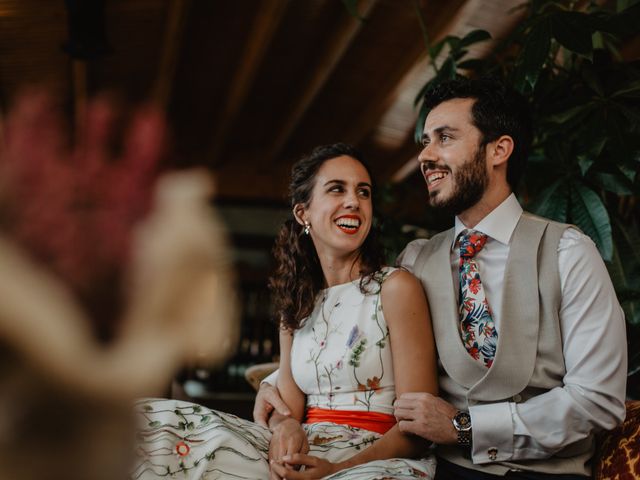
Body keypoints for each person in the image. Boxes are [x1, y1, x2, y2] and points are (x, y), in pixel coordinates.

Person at [254, 78, 627, 479]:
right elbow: (362, 329)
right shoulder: (415, 260)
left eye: (444, 138)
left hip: (546, 473)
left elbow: (598, 401)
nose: (425, 156)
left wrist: (464, 427)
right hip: (442, 471)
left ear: (498, 149)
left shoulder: (567, 252)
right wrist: (276, 384)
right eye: (425, 141)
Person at [132, 143, 438, 479]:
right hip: (305, 448)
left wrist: (336, 469)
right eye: (337, 189)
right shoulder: (297, 302)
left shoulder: (396, 288)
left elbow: (417, 428)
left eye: (363, 192)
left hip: (373, 456)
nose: (354, 201)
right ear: (303, 214)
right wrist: (285, 426)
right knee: (150, 420)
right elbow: (286, 408)